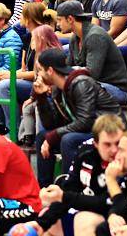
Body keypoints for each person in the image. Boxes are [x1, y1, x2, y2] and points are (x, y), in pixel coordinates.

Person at [9, 115, 125, 236]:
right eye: (107, 144)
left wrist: (64, 196)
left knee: (83, 219)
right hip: (90, 219)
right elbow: (69, 191)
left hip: (118, 220)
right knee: (49, 216)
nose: (114, 150)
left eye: (118, 144)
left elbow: (108, 203)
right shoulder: (85, 152)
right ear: (96, 143)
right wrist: (41, 223)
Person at [36, 47, 121, 177]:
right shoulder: (58, 89)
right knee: (43, 136)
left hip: (108, 129)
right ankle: (44, 187)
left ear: (50, 71)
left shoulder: (81, 83)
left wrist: (54, 135)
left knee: (68, 139)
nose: (38, 75)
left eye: (40, 70)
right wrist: (41, 97)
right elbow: (51, 125)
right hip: (88, 129)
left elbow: (85, 121)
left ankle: (68, 184)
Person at [58, 0, 127, 103]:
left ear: (70, 19)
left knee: (77, 87)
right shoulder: (75, 37)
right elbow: (68, 66)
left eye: (59, 20)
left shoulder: (95, 36)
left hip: (114, 89)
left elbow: (92, 73)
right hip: (92, 84)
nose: (58, 24)